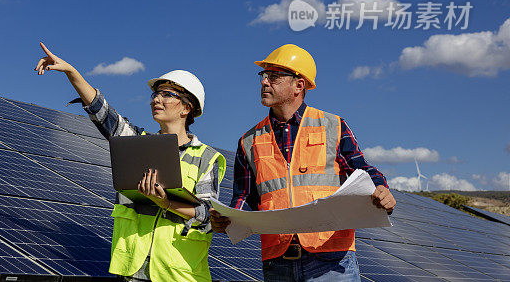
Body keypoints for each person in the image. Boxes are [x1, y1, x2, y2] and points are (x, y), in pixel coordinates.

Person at [35, 42, 226, 282]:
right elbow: (102, 113)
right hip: (132, 270)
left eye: (167, 94)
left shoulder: (205, 158)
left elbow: (208, 215)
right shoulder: (137, 145)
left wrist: (165, 202)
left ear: (186, 108)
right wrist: (72, 73)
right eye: (155, 94)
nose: (157, 99)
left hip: (179, 273)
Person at [209, 44, 395, 281]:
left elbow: (362, 170)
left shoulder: (333, 125)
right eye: (263, 76)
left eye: (274, 76)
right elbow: (244, 198)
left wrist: (381, 188)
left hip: (331, 261)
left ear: (299, 85)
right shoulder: (248, 141)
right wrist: (228, 219)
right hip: (278, 263)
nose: (265, 82)